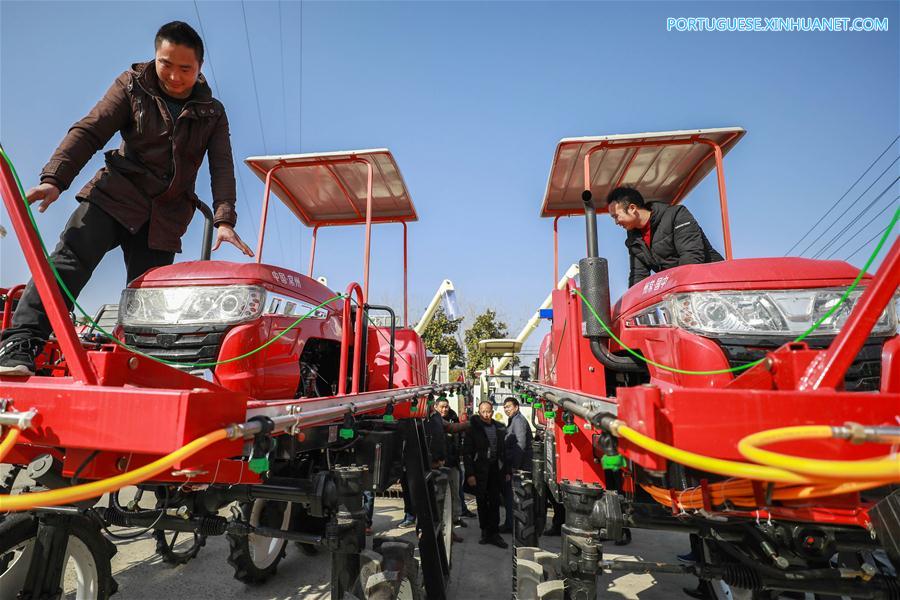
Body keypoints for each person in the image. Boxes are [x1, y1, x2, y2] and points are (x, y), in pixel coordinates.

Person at [0, 21, 253, 376]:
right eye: (166, 64)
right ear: (155, 56)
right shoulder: (132, 85)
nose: (175, 76)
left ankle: (141, 367)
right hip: (115, 194)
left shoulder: (212, 112)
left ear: (199, 69)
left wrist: (225, 220)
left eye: (186, 68)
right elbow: (91, 129)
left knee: (150, 299)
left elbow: (221, 166)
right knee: (68, 262)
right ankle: (20, 343)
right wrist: (55, 179)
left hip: (164, 215)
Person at [606, 187, 723, 288]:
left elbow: (691, 257)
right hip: (677, 292)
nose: (616, 222)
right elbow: (638, 275)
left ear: (632, 208)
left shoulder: (676, 215)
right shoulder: (634, 239)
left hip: (713, 283)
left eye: (616, 216)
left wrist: (675, 290)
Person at [463, 400, 509, 549]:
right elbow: (467, 454)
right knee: (482, 502)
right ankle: (485, 531)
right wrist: (470, 474)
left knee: (495, 502)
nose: (486, 414)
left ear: (492, 411)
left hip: (495, 470)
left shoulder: (499, 428)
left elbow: (504, 452)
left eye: (488, 411)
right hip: (479, 471)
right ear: (479, 411)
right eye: (483, 411)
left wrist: (507, 470)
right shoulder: (472, 429)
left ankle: (494, 533)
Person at [435, 396, 471, 532]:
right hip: (439, 464)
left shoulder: (453, 416)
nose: (444, 409)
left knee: (455, 492)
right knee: (440, 495)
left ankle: (455, 518)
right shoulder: (433, 420)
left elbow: (455, 431)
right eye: (442, 407)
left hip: (453, 462)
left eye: (446, 406)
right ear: (436, 407)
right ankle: (443, 523)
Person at [499, 397, 532, 533]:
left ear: (516, 407)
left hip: (519, 466)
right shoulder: (513, 420)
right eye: (505, 407)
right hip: (513, 465)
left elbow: (521, 444)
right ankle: (509, 524)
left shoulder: (518, 421)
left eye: (509, 407)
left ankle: (512, 526)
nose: (507, 409)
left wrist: (515, 467)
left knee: (513, 498)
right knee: (510, 497)